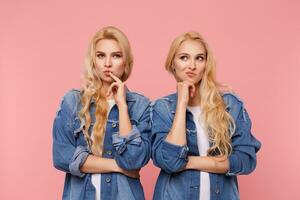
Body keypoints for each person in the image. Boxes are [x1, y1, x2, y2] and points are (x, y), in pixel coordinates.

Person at [150, 31, 261, 200]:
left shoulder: (229, 104)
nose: (192, 66)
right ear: (172, 63)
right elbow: (170, 161)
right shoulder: (162, 108)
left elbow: (246, 160)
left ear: (206, 64)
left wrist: (188, 162)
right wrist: (181, 104)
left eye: (199, 58)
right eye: (184, 58)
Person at [52, 26, 151, 200]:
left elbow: (134, 160)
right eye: (101, 55)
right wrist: (118, 167)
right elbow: (61, 157)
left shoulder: (140, 106)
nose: (107, 63)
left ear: (126, 61)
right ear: (93, 61)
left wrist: (121, 105)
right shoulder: (73, 101)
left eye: (116, 56)